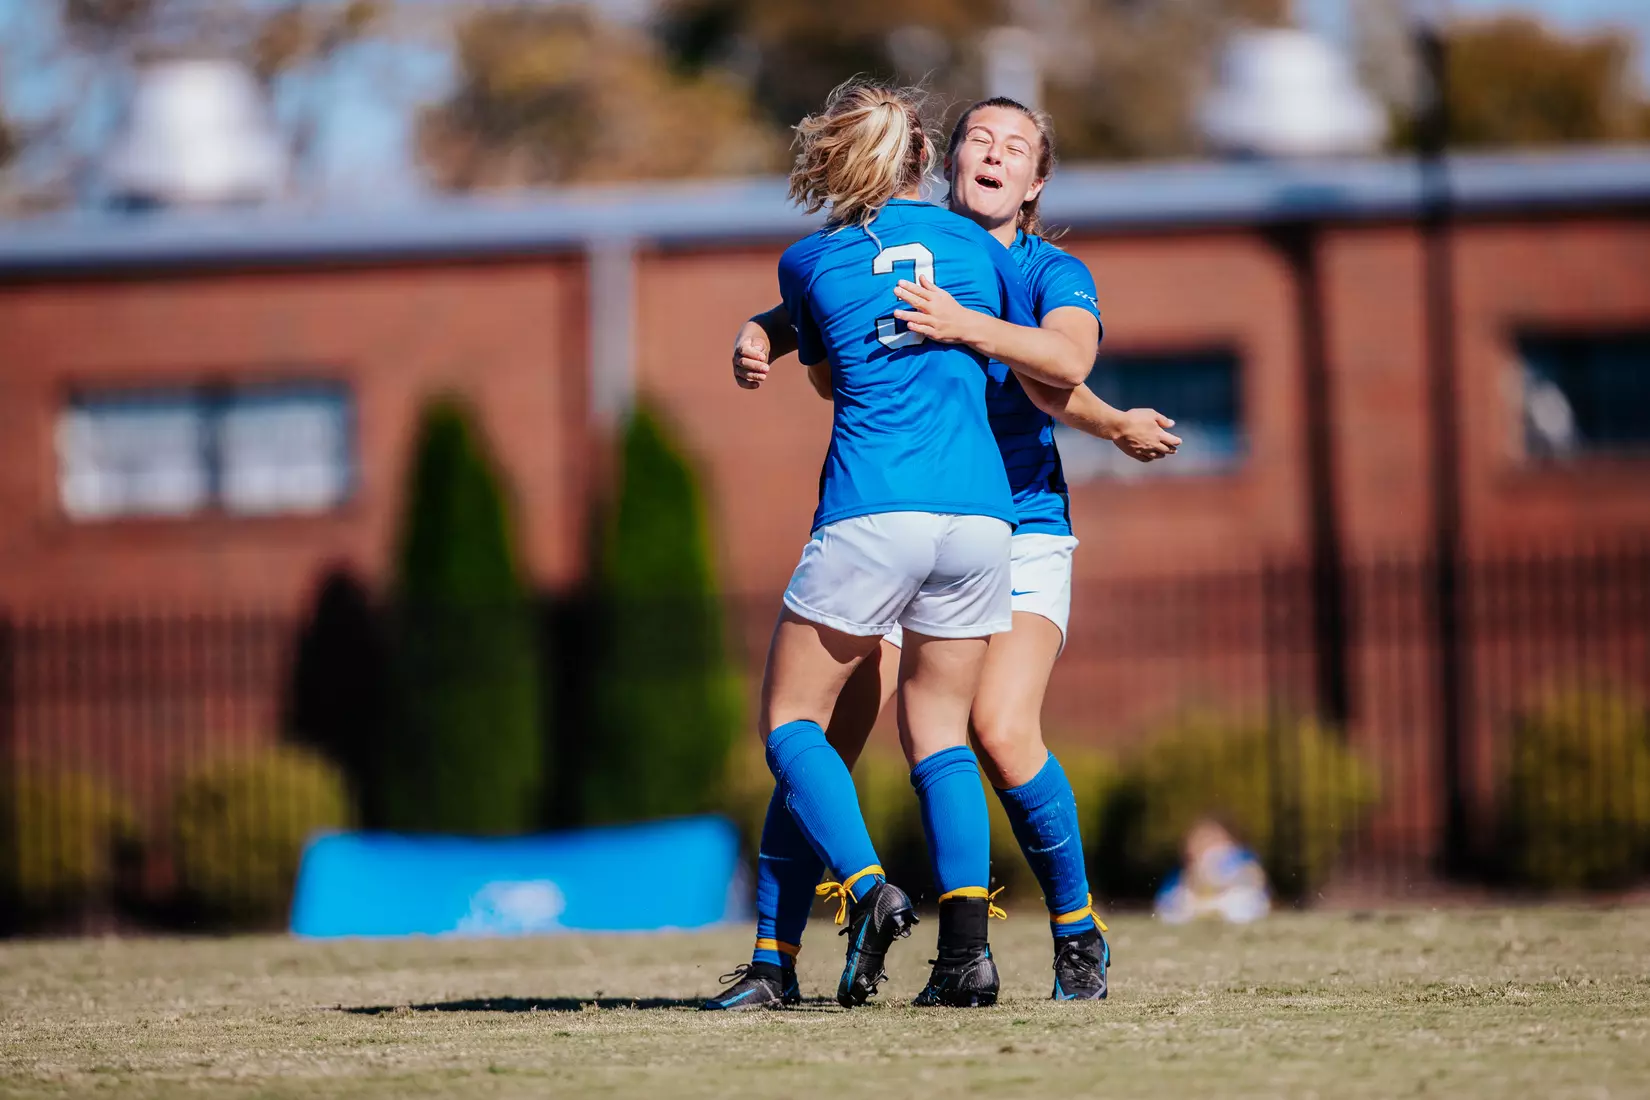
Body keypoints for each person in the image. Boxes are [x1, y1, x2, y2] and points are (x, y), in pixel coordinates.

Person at [719, 97, 1181, 1005]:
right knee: (843, 734)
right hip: (956, 523)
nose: (994, 155)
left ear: (1037, 182)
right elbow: (808, 308)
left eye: (1016, 148)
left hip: (1016, 522)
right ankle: (777, 959)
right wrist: (759, 331)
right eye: (981, 139)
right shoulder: (928, 246)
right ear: (945, 158)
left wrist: (1101, 415)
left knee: (995, 730)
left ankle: (1074, 929)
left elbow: (1061, 368)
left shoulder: (1040, 268)